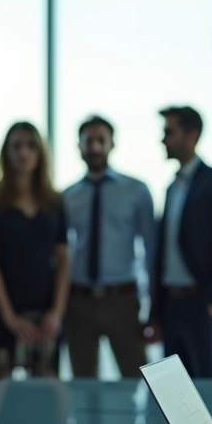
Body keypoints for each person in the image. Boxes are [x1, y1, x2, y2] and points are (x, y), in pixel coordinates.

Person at [146, 106, 212, 379]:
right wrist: (156, 311)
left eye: (169, 132)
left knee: (205, 388)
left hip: (200, 305)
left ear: (192, 134)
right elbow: (163, 254)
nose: (163, 140)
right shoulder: (171, 187)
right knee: (175, 391)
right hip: (171, 306)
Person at [61, 116, 156, 378]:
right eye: (88, 141)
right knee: (83, 383)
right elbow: (59, 253)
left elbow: (151, 252)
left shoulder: (136, 191)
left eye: (101, 140)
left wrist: (154, 309)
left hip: (123, 301)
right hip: (79, 302)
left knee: (138, 382)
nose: (95, 147)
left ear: (112, 144)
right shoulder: (67, 196)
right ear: (78, 146)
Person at [0, 122, 69, 381]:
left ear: (40, 153)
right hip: (4, 312)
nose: (23, 153)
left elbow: (63, 261)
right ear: (6, 152)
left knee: (48, 396)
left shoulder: (54, 201)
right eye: (16, 146)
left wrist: (56, 313)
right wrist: (9, 317)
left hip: (46, 311)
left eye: (30, 146)